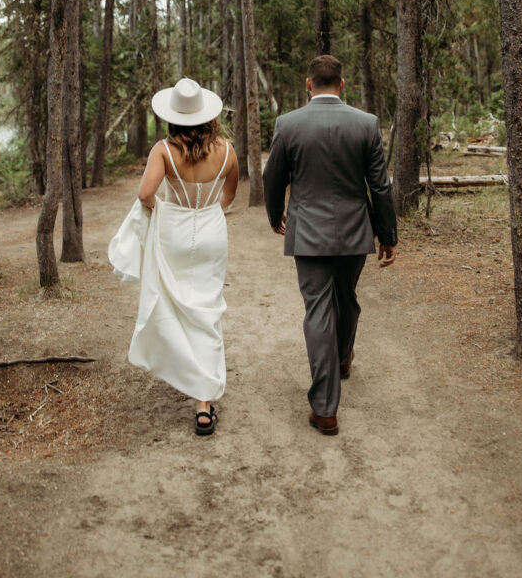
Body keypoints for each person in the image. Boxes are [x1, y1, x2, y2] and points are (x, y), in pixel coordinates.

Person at [262, 54, 397, 436]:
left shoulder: (288, 124)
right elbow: (380, 186)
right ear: (341, 84)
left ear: (309, 84)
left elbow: (273, 178)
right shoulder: (366, 124)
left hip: (307, 233)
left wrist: (276, 217)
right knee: (346, 298)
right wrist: (387, 235)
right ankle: (339, 363)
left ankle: (325, 407)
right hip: (355, 232)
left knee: (320, 310)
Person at [120, 78, 238, 436]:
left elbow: (145, 195)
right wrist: (204, 217)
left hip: (173, 232)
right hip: (212, 233)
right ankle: (203, 403)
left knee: (176, 302)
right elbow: (227, 198)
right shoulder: (228, 151)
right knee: (207, 306)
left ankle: (183, 369)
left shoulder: (163, 150)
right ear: (208, 116)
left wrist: (171, 214)